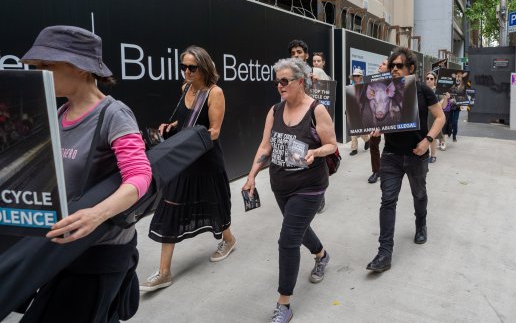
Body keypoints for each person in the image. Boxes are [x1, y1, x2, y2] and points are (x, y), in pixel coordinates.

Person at [19, 25, 152, 321]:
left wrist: (96, 214)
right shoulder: (59, 113)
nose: (39, 73)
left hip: (99, 254)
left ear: (80, 67)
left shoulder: (113, 114)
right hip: (63, 250)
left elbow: (141, 176)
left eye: (47, 65)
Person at [242, 57, 337, 323]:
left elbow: (332, 144)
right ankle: (322, 255)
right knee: (298, 229)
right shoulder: (274, 111)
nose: (280, 86)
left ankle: (284, 304)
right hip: (280, 185)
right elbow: (265, 147)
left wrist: (315, 151)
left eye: (285, 81)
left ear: (300, 81)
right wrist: (251, 177)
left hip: (309, 186)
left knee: (288, 239)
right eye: (277, 82)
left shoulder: (317, 110)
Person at [140, 46, 236, 292]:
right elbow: (183, 121)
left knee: (214, 203)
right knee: (170, 206)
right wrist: (170, 127)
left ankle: (229, 240)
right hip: (182, 160)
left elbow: (214, 131)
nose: (186, 71)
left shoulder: (215, 93)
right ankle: (164, 272)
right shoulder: (185, 88)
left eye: (192, 67)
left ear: (203, 67)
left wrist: (187, 140)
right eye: (183, 66)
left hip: (205, 159)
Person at [366, 47, 445, 273]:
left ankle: (421, 224)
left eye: (399, 66)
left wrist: (427, 140)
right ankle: (384, 253)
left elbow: (440, 117)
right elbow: (380, 115)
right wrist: (376, 129)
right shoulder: (385, 91)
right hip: (390, 155)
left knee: (419, 194)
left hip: (416, 155)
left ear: (411, 68)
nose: (394, 70)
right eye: (392, 66)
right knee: (387, 201)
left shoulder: (423, 90)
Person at [288, 39, 327, 213]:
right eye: (293, 53)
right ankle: (299, 193)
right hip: (294, 120)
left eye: (299, 52)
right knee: (296, 156)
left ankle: (319, 195)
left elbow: (327, 96)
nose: (296, 55)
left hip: (313, 122)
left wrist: (317, 83)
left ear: (306, 55)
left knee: (315, 157)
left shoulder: (315, 72)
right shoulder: (287, 72)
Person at [367, 58, 389, 184]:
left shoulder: (394, 80)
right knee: (373, 144)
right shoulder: (373, 80)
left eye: (384, 64)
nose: (380, 65)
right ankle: (376, 171)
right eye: (380, 63)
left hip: (389, 117)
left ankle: (386, 168)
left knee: (389, 144)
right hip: (376, 117)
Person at [424, 72, 448, 162]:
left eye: (431, 79)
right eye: (427, 78)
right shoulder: (423, 90)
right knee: (423, 136)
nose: (429, 80)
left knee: (432, 137)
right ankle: (425, 155)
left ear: (435, 80)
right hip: (423, 116)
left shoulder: (438, 91)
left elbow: (444, 106)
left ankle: (433, 156)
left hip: (433, 117)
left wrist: (446, 98)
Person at [349, 68, 370, 156]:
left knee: (359, 129)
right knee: (353, 130)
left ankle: (367, 139)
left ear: (361, 77)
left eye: (357, 76)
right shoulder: (350, 86)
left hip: (362, 110)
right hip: (353, 110)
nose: (356, 77)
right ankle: (354, 148)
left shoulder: (365, 86)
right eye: (354, 76)